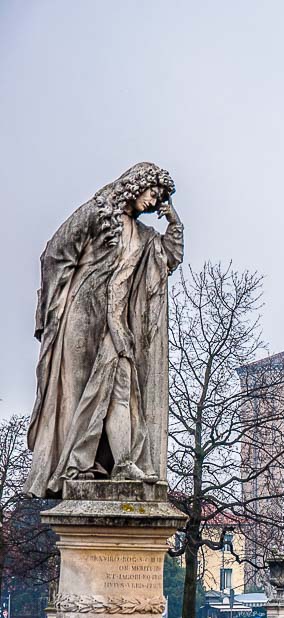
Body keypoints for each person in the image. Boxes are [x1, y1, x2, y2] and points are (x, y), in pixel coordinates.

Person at [25, 162, 183, 497]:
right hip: (83, 316)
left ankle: (120, 464)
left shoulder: (144, 236)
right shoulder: (96, 213)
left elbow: (166, 259)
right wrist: (55, 307)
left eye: (160, 197)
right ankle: (77, 467)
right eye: (153, 192)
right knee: (77, 392)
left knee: (118, 389)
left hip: (117, 320)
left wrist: (174, 223)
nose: (155, 201)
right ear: (136, 184)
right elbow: (55, 254)